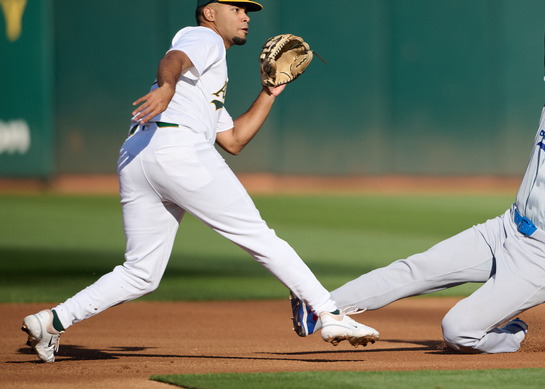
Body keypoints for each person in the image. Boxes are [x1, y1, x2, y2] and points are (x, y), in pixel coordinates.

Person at [21, 0, 378, 363]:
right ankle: (328, 312)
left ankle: (52, 321)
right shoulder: (202, 39)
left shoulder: (206, 80)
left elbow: (234, 140)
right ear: (209, 13)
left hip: (139, 156)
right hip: (179, 150)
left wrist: (270, 92)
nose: (245, 16)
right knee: (258, 236)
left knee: (141, 272)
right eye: (235, 8)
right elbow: (173, 59)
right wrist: (166, 86)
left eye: (247, 11)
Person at [289, 0, 545, 354]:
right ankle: (321, 307)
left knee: (457, 331)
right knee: (415, 268)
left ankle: (511, 336)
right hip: (506, 229)